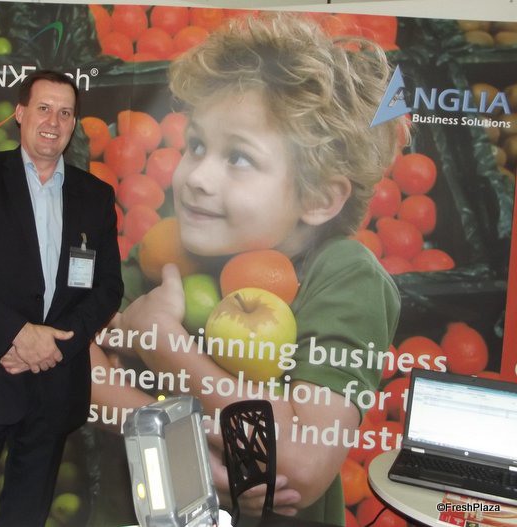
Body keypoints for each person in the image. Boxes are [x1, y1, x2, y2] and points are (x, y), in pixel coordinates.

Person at [90, 13, 407, 525]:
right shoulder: (167, 247)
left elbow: (299, 463)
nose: (197, 177)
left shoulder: (345, 274)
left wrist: (164, 343)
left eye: (238, 158)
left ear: (320, 198)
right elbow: (69, 363)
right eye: (197, 146)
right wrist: (173, 437)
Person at [0, 69, 123, 527]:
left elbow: (108, 288)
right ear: (20, 113)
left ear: (74, 123)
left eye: (65, 113)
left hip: (53, 387)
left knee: (27, 516)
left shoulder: (95, 196)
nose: (53, 122)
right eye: (43, 108)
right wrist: (18, 335)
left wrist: (54, 346)